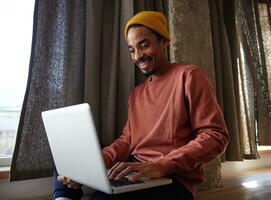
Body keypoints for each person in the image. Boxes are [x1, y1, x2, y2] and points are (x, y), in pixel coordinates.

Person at [53, 11, 229, 200]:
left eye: (144, 45)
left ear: (164, 41)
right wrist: (97, 162)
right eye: (132, 50)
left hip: (172, 180)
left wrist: (160, 166)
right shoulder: (136, 93)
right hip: (134, 169)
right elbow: (127, 141)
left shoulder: (189, 76)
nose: (137, 56)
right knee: (70, 158)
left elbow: (215, 136)